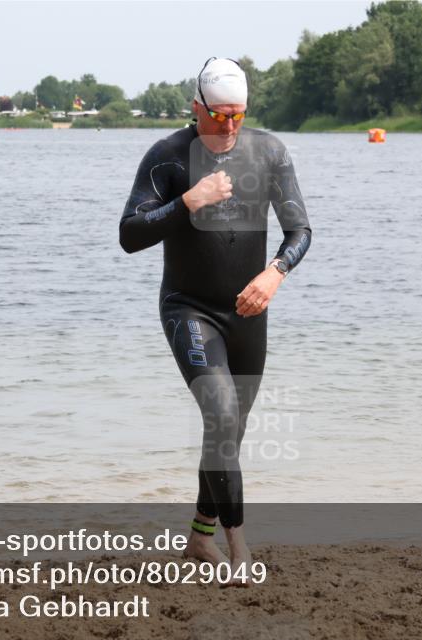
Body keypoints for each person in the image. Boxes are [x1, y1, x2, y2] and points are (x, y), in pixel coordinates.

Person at [118, 57, 312, 578]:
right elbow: (129, 234)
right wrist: (188, 201)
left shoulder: (269, 152)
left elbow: (300, 231)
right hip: (189, 308)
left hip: (249, 310)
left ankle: (199, 539)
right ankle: (240, 548)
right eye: (219, 115)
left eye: (238, 115)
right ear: (197, 107)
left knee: (228, 431)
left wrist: (275, 273)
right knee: (222, 415)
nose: (229, 126)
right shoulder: (167, 156)